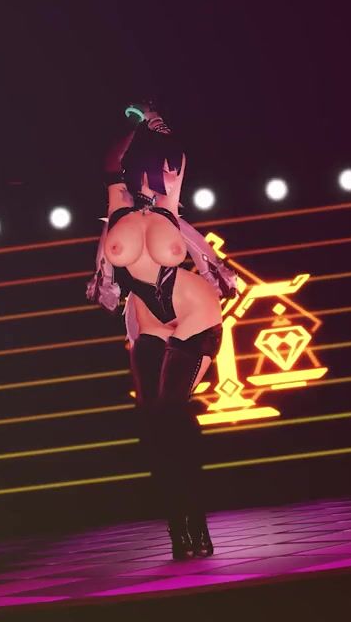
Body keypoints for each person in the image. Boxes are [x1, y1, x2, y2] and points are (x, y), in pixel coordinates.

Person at [86, 103, 237, 559]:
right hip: (148, 319)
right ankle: (179, 529)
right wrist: (133, 125)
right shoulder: (117, 205)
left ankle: (197, 522)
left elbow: (176, 154)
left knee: (171, 413)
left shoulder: (168, 202)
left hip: (194, 313)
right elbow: (109, 162)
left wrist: (155, 122)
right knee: (154, 424)